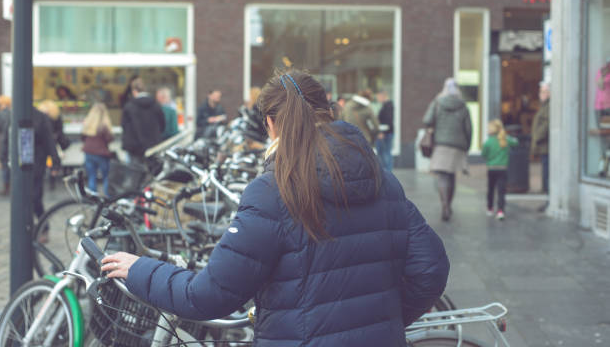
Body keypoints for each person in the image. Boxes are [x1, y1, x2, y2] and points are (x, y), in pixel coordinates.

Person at [102, 70, 450, 347]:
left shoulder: (272, 192)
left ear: (270, 124)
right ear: (328, 110)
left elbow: (208, 297)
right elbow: (431, 268)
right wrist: (380, 321)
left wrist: (139, 269)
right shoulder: (384, 180)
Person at [423, 78, 472, 222]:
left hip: (441, 144)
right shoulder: (463, 106)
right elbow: (468, 129)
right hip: (458, 145)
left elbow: (427, 120)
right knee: (452, 176)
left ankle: (444, 206)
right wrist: (467, 146)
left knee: (442, 176)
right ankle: (449, 205)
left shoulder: (438, 102)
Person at [121, 78, 165, 165]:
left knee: (136, 174)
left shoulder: (129, 107)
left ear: (134, 91)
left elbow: (124, 126)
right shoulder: (156, 106)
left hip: (134, 148)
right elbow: (162, 125)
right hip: (153, 146)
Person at [482, 119, 518, 221]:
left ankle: (490, 208)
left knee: (491, 189)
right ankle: (500, 211)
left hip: (491, 169)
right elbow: (516, 143)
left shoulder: (488, 142)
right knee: (501, 191)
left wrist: (489, 159)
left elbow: (484, 154)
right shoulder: (505, 139)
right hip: (503, 169)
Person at [81, 103, 114, 195]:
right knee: (106, 176)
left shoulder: (88, 124)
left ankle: (93, 197)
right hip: (101, 153)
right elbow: (109, 139)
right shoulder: (104, 125)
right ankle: (108, 196)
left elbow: (83, 138)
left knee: (92, 176)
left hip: (89, 153)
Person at [531, 81, 550, 198]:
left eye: (543, 92)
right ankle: (547, 197)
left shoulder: (549, 106)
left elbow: (547, 124)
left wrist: (538, 136)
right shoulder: (544, 106)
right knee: (545, 172)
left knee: (547, 173)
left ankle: (548, 198)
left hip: (546, 146)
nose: (540, 94)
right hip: (543, 146)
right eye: (540, 92)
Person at [376, 89, 394, 171]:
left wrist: (383, 132)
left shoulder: (388, 105)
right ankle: (386, 171)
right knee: (384, 152)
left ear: (382, 96)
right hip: (385, 133)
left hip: (386, 134)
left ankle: (388, 172)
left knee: (385, 153)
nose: (378, 99)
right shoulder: (385, 105)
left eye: (378, 97)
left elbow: (388, 120)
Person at [0, 96, 11, 195]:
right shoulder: (13, 113)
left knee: (4, 163)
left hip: (3, 141)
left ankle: (6, 186)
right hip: (11, 141)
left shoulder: (0, 114)